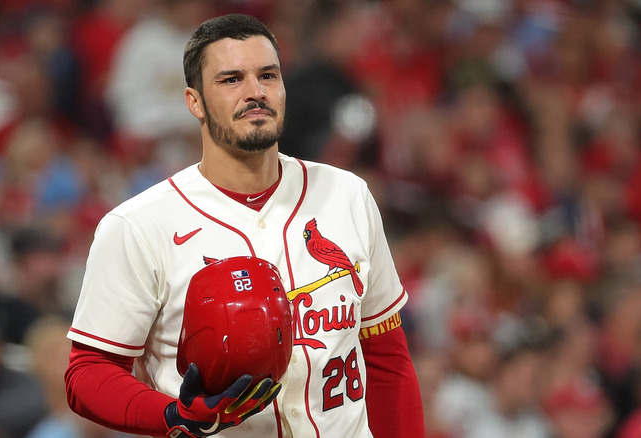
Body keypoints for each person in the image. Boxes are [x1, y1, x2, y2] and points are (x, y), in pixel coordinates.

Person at [64, 13, 424, 438]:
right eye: (231, 79)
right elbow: (88, 372)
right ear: (194, 101)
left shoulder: (348, 195)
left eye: (268, 75)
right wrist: (172, 415)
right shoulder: (138, 225)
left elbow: (386, 359)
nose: (256, 92)